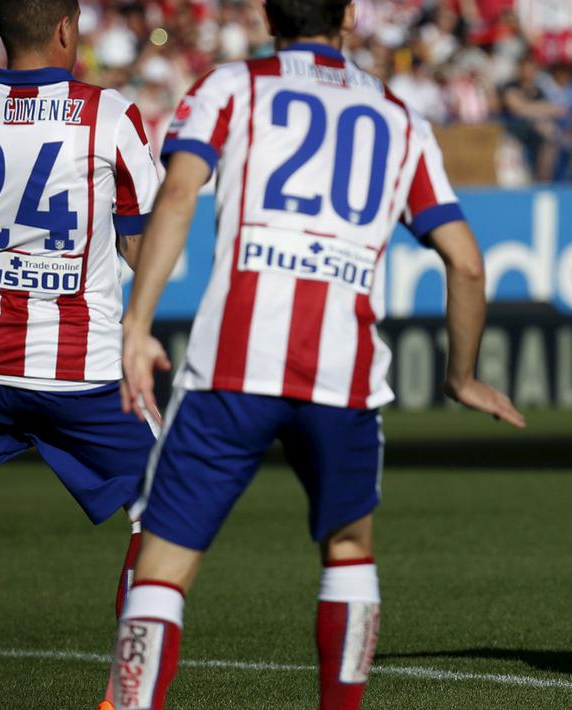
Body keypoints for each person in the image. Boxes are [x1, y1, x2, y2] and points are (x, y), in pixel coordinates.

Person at [105, 2, 525, 709]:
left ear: (269, 13)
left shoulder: (230, 84)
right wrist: (462, 376)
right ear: (350, 16)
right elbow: (467, 263)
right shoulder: (398, 116)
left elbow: (178, 191)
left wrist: (138, 324)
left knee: (163, 565)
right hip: (343, 373)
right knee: (349, 551)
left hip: (231, 366)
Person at [0, 2, 159, 704]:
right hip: (80, 370)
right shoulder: (108, 114)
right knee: (166, 506)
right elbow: (144, 240)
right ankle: (127, 688)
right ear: (65, 29)